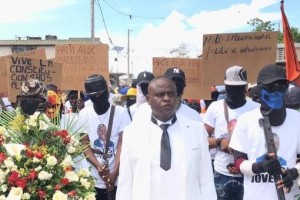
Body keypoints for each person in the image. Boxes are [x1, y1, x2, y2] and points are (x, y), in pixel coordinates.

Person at [116, 76, 216, 200]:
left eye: (171, 94)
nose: (167, 99)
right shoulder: (132, 133)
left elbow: (206, 179)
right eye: (160, 94)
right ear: (148, 99)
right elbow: (125, 183)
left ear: (177, 97)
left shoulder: (196, 130)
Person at [229, 64, 300, 200]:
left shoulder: (297, 119)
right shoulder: (246, 120)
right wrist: (259, 167)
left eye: (282, 88)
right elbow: (238, 161)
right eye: (271, 88)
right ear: (259, 90)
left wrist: (293, 172)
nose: (277, 93)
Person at [203, 65, 259, 200]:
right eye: (230, 88)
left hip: (249, 174)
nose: (233, 92)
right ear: (225, 87)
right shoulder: (215, 107)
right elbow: (200, 140)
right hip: (222, 173)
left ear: (245, 88)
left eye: (238, 88)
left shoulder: (257, 109)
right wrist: (219, 142)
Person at [79, 74, 126, 200]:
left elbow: (123, 143)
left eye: (101, 94)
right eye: (94, 96)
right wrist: (98, 166)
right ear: (89, 96)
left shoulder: (121, 113)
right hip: (93, 180)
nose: (98, 98)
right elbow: (84, 143)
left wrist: (115, 173)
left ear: (107, 91)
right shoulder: (84, 114)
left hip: (118, 180)